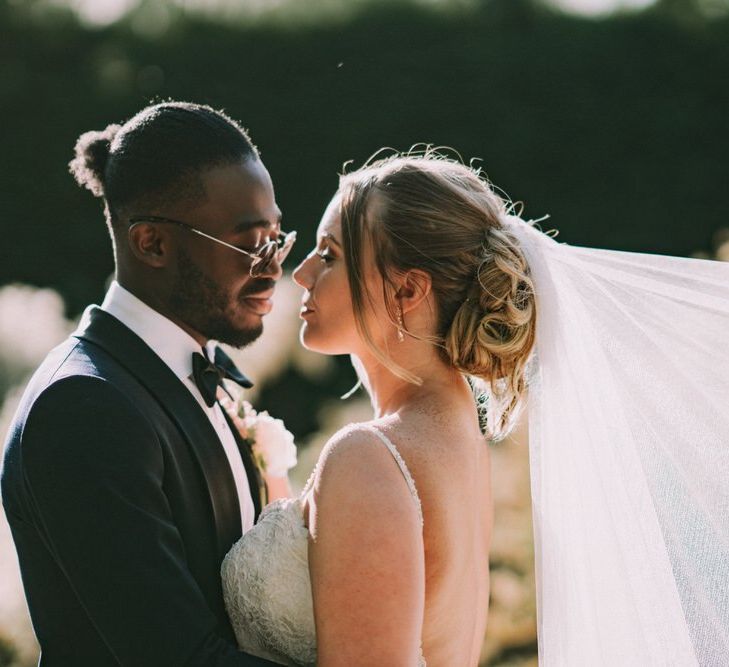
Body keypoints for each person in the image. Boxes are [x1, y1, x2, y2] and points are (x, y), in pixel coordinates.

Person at [221, 150, 729, 666]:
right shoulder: (456, 438)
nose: (303, 274)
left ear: (407, 290)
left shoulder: (370, 456)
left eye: (329, 255)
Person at [1, 101, 296, 666]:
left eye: (276, 237)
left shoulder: (197, 370)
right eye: (250, 243)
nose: (272, 265)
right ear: (153, 244)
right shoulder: (85, 407)